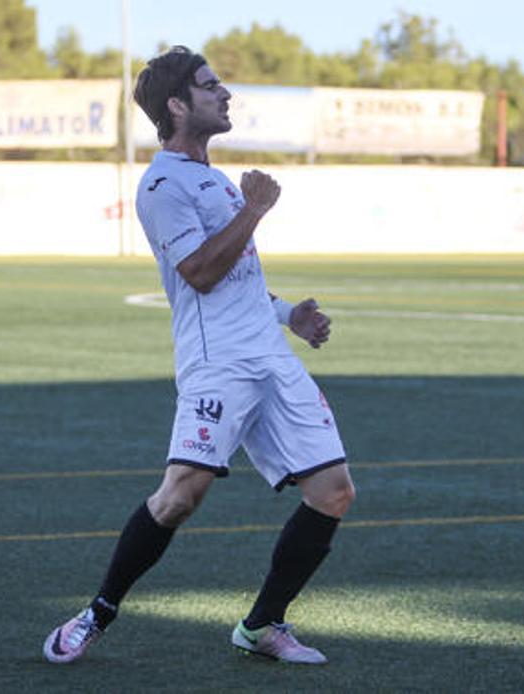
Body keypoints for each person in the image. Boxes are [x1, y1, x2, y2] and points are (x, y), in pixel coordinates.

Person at [43, 46, 356, 666]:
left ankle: (262, 625)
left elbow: (237, 277)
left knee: (334, 491)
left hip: (270, 358)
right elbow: (200, 273)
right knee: (179, 497)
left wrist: (288, 313)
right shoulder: (161, 185)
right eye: (211, 88)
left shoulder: (214, 180)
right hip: (219, 366)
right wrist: (257, 210)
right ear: (178, 105)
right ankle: (96, 612)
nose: (227, 94)